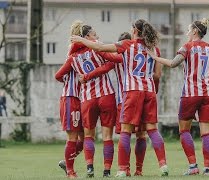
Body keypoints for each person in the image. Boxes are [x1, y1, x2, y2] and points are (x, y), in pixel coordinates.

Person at [71, 19, 168, 177]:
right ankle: (163, 165)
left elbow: (101, 47)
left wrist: (81, 40)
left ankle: (123, 169)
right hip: (149, 91)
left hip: (131, 93)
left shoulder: (127, 45)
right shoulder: (154, 49)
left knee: (125, 132)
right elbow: (157, 75)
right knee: (151, 130)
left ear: (135, 31)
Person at [147, 18, 209, 175]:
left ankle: (193, 166)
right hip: (208, 94)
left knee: (184, 130)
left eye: (189, 30)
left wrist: (154, 57)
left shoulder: (187, 47)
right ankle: (207, 169)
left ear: (195, 31)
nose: (187, 33)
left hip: (191, 94)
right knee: (206, 133)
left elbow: (172, 63)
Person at [56, 22, 122, 178]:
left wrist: (83, 78)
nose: (96, 37)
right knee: (106, 136)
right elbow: (113, 62)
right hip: (105, 95)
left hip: (86, 98)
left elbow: (58, 75)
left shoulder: (72, 57)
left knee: (87, 136)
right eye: (94, 34)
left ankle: (89, 168)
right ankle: (106, 171)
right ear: (85, 37)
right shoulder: (97, 48)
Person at [54, 20, 85, 179]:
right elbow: (58, 75)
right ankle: (71, 172)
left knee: (85, 138)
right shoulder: (73, 52)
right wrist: (68, 83)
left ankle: (67, 163)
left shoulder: (84, 51)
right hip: (70, 98)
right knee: (73, 137)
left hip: (81, 99)